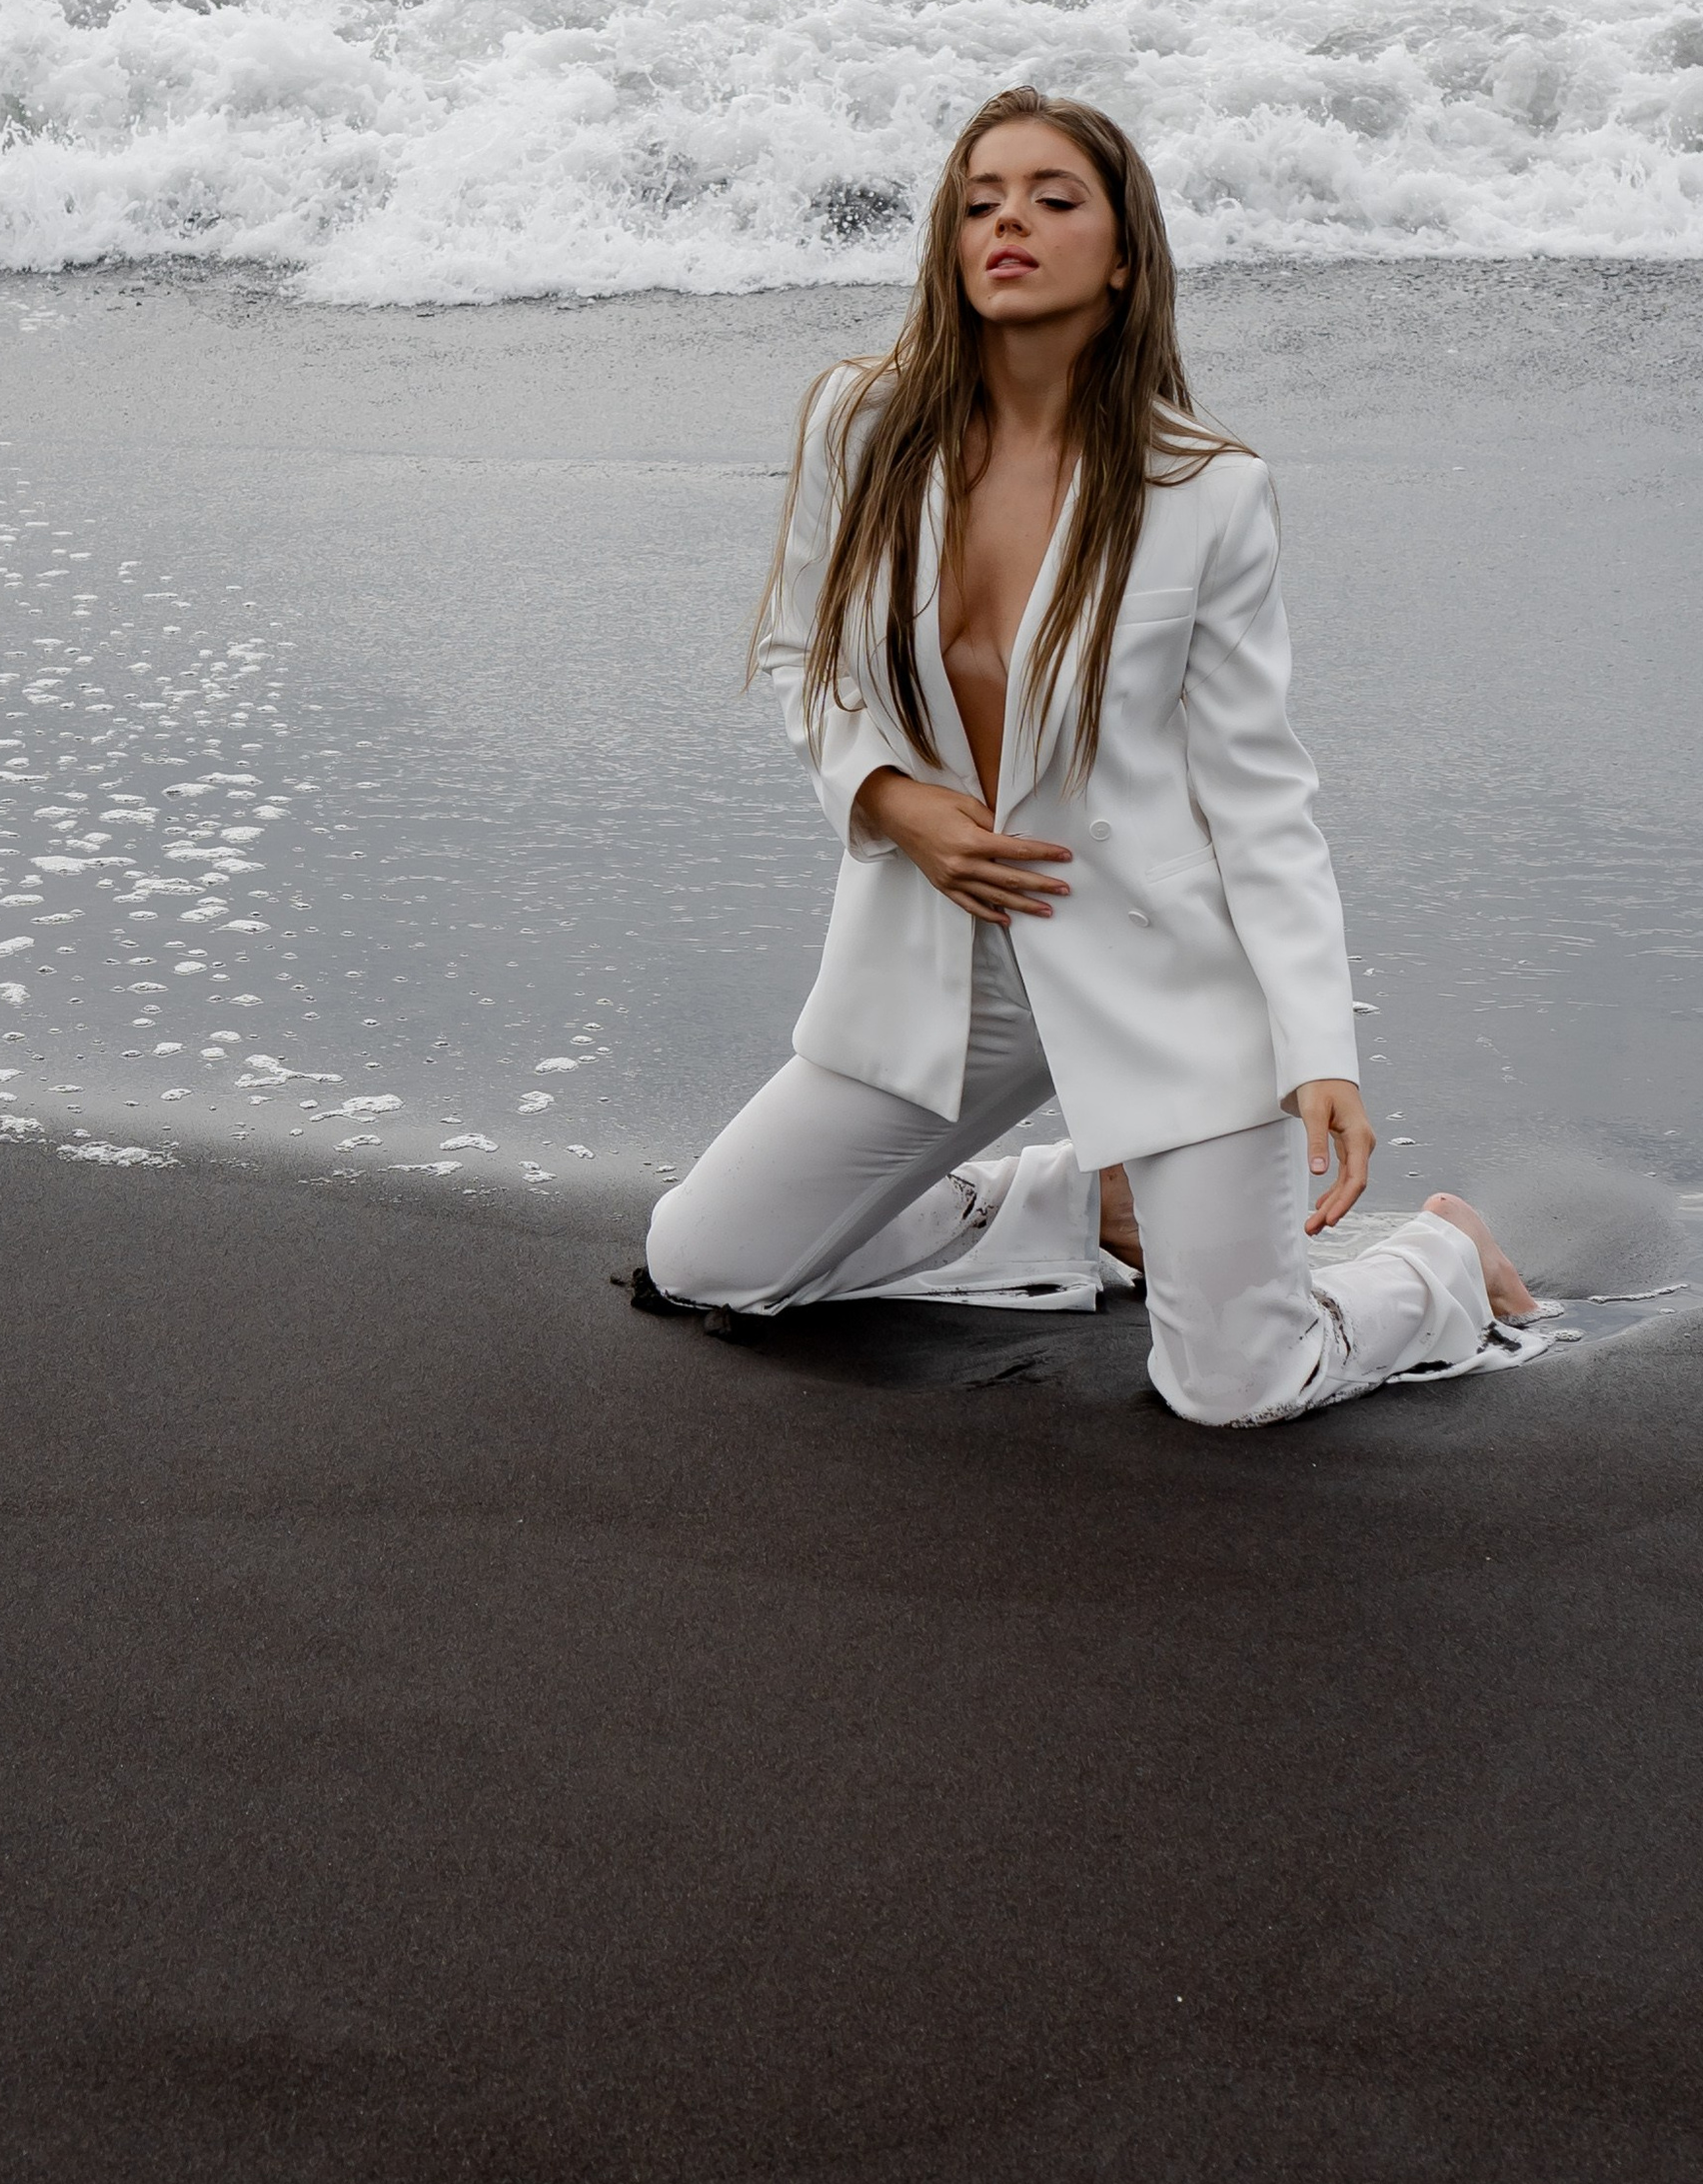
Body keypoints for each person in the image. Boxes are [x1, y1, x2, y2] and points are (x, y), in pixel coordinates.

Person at [640, 87, 1539, 1425]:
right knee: (705, 1260)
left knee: (1236, 1387)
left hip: (1158, 971)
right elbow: (802, 657)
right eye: (980, 200)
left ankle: (1444, 1263)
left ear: (1123, 255)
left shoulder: (1207, 490)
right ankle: (1082, 1202)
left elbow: (1259, 793)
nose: (1008, 221)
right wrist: (891, 800)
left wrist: (1320, 1049)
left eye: (1053, 198)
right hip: (948, 966)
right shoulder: (858, 422)